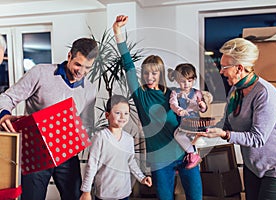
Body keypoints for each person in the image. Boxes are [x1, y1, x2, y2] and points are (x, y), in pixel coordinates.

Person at [113, 15, 202, 200]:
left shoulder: (173, 93)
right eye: (146, 72)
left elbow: (187, 118)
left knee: (196, 197)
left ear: (161, 73)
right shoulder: (140, 95)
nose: (149, 76)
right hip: (160, 160)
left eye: (154, 72)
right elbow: (128, 65)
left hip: (184, 154)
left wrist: (193, 145)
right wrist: (117, 32)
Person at [199, 38, 276, 200]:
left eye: (224, 67)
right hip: (253, 164)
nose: (221, 72)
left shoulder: (264, 94)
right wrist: (206, 128)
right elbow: (227, 122)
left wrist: (225, 134)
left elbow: (258, 138)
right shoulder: (235, 90)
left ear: (239, 68)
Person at [0, 37, 98, 200]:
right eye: (78, 64)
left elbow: (87, 124)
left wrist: (80, 140)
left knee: (74, 197)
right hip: (35, 154)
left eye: (87, 67)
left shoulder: (89, 89)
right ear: (69, 56)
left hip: (67, 155)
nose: (81, 72)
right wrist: (3, 115)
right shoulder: (40, 73)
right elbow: (7, 97)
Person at [80, 94, 152, 200]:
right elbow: (92, 165)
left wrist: (142, 178)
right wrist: (86, 191)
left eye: (126, 113)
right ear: (107, 115)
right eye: (118, 113)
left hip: (124, 193)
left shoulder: (128, 139)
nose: (123, 117)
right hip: (104, 193)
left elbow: (131, 161)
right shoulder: (100, 137)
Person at [168, 64, 207, 169]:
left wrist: (202, 106)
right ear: (177, 80)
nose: (186, 84)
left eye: (189, 81)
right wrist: (179, 110)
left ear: (194, 80)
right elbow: (173, 104)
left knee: (179, 135)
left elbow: (203, 108)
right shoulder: (175, 93)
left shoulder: (197, 93)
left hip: (195, 122)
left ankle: (192, 154)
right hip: (185, 122)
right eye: (183, 81)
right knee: (178, 135)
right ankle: (191, 154)